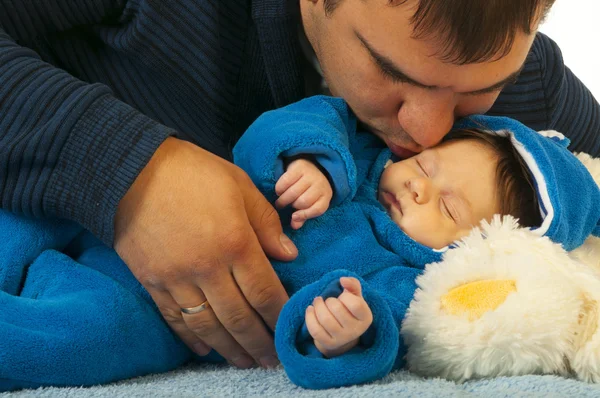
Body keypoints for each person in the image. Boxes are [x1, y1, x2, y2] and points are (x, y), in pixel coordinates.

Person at [0, 0, 598, 369]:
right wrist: (125, 169)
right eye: (391, 72)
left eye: (475, 95)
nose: (429, 131)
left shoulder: (528, 109)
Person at [2, 95, 599, 391]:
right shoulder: (356, 155)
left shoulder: (406, 280)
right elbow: (299, 121)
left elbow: (386, 340)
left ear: (478, 246)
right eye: (429, 164)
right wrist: (312, 160)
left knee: (87, 335)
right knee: (27, 215)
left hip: (171, 315)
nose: (418, 185)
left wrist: (349, 335)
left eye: (446, 207)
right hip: (140, 221)